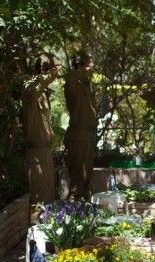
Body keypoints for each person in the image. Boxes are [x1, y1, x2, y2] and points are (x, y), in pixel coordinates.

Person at [22, 54, 61, 218]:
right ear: (43, 70)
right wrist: (49, 75)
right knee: (38, 204)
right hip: (36, 155)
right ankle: (34, 233)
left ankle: (46, 233)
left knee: (48, 201)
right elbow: (33, 87)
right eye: (54, 69)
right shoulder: (29, 89)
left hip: (45, 153)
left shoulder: (43, 93)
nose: (56, 74)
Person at [63, 50, 97, 200]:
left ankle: (84, 202)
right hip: (78, 136)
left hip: (89, 136)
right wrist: (82, 69)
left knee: (87, 174)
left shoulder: (87, 86)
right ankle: (75, 205)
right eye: (89, 65)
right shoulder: (72, 84)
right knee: (78, 175)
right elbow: (72, 76)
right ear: (80, 66)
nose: (92, 68)